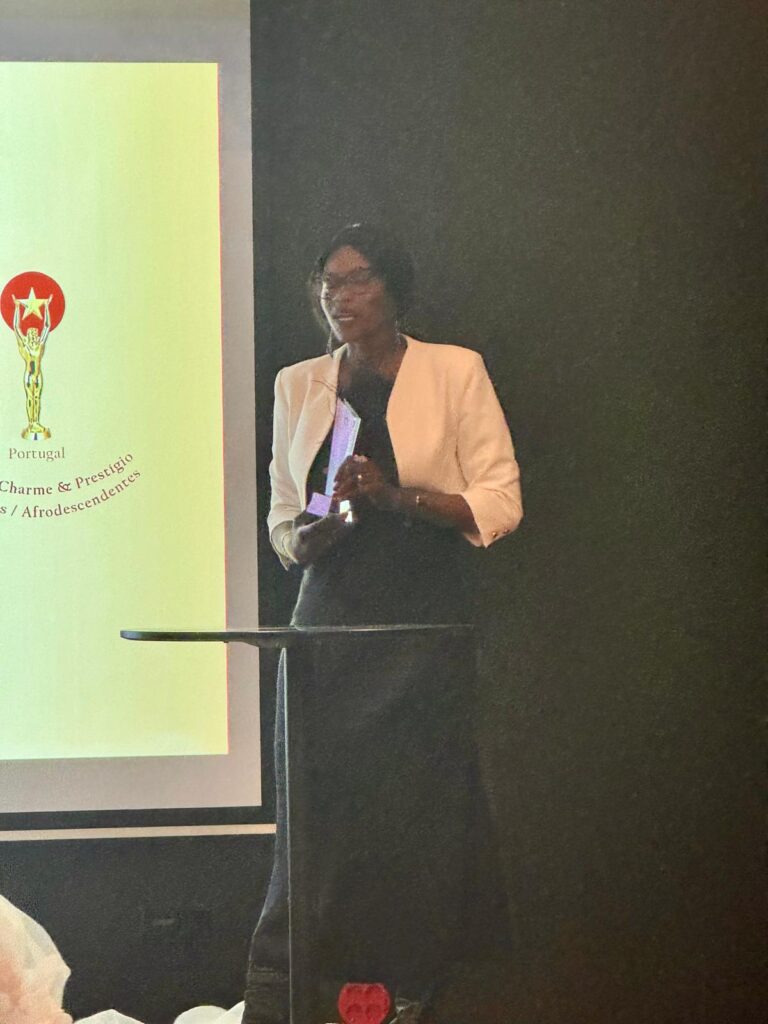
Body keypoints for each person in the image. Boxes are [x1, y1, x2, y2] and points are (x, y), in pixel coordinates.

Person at [243, 223, 523, 1024]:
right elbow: (285, 526)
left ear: (395, 288)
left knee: (417, 808)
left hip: (421, 614)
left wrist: (392, 497)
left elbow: (500, 503)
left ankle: (411, 989)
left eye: (358, 279)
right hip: (328, 619)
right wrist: (325, 524)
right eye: (328, 283)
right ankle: (297, 991)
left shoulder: (454, 370)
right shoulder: (299, 383)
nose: (340, 296)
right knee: (319, 809)